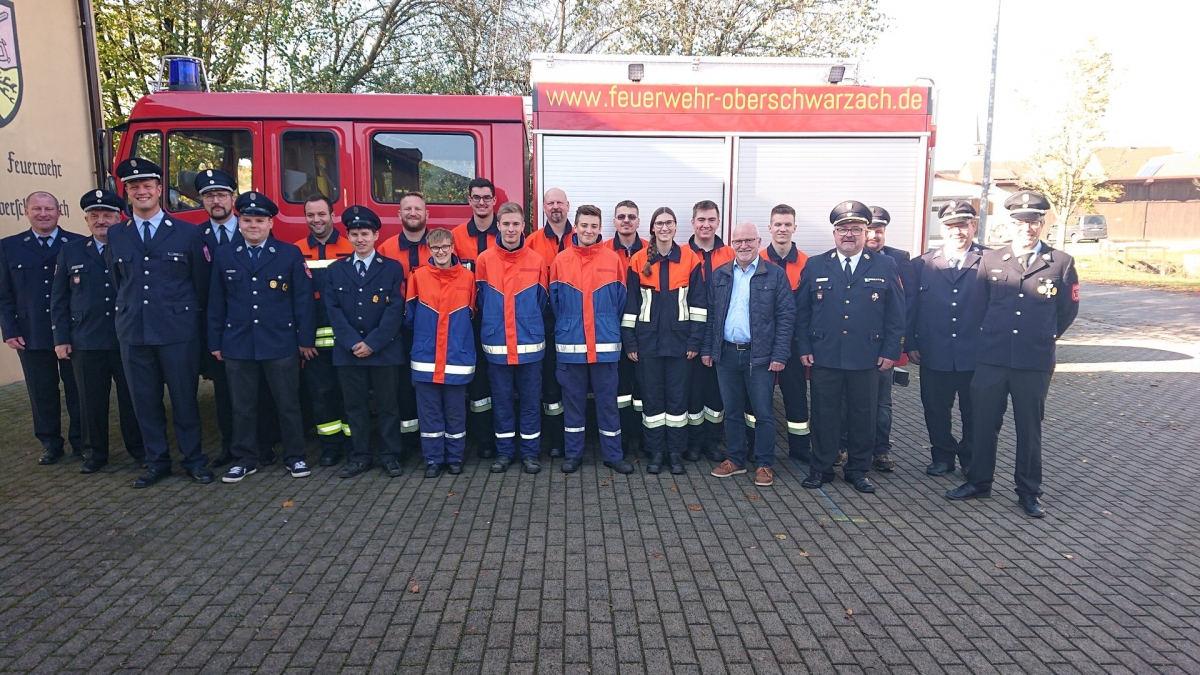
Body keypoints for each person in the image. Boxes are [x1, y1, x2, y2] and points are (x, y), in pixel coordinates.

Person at [946, 190, 1080, 518]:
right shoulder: (991, 261)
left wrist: (1044, 337)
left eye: (1034, 221)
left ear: (1043, 223)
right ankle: (979, 481)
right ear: (1011, 224)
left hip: (1032, 362)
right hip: (991, 358)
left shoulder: (1060, 263)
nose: (1027, 227)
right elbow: (977, 306)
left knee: (1028, 429)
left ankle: (1029, 491)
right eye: (1020, 221)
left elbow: (1067, 310)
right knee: (982, 423)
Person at [107, 158, 214, 488]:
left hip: (177, 331)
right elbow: (118, 281)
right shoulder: (116, 234)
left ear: (159, 190)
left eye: (147, 186)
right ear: (127, 192)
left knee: (184, 401)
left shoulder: (188, 232)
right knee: (145, 403)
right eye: (134, 187)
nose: (141, 191)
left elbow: (201, 284)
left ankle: (193, 459)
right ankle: (157, 462)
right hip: (134, 331)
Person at [796, 201, 905, 494]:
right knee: (823, 415)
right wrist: (804, 346)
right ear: (834, 233)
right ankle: (821, 468)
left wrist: (890, 351)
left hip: (866, 356)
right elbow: (802, 311)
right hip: (825, 354)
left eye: (855, 229)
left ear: (865, 232)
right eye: (843, 229)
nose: (849, 235)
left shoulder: (884, 265)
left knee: (863, 416)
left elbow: (896, 313)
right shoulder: (816, 264)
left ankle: (857, 470)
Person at [208, 192, 316, 483]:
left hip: (280, 342)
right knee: (242, 405)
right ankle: (245, 458)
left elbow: (302, 301)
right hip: (238, 343)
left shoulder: (288, 253)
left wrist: (305, 340)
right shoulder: (225, 255)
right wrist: (215, 342)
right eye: (247, 220)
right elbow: (216, 302)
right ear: (239, 222)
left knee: (287, 403)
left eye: (259, 220)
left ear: (270, 223)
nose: (253, 226)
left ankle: (295, 457)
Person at [50, 189, 143, 473]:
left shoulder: (133, 246)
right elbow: (59, 298)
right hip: (86, 340)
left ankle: (139, 450)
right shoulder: (71, 251)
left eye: (107, 215)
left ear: (119, 218)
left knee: (133, 399)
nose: (101, 221)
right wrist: (61, 338)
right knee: (90, 400)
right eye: (95, 216)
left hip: (125, 337)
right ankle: (95, 453)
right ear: (87, 220)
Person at [193, 168, 277, 468]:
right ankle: (230, 446)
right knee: (224, 393)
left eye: (221, 194)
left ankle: (264, 445)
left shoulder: (257, 228)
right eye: (208, 196)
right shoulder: (194, 236)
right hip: (220, 328)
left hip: (259, 330)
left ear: (232, 198)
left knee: (263, 392)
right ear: (202, 200)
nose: (216, 201)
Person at [703, 222, 794, 487]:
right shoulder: (721, 274)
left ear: (759, 242)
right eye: (738, 241)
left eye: (748, 241)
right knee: (731, 411)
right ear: (732, 244)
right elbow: (711, 316)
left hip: (761, 357)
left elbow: (786, 317)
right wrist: (710, 349)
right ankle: (736, 460)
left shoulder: (775, 275)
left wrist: (780, 354)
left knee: (763, 412)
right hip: (727, 354)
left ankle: (764, 464)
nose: (743, 246)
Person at [0, 191, 84, 466]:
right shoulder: (8, 247)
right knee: (41, 392)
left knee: (77, 390)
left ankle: (82, 442)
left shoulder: (77, 243)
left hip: (72, 332)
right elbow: (3, 294)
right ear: (26, 212)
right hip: (31, 331)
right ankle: (50, 443)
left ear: (59, 212)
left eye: (49, 208)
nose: (43, 213)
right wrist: (9, 329)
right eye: (37, 208)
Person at [548, 205, 632, 475]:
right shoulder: (561, 260)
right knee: (573, 404)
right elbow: (555, 302)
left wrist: (604, 323)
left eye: (594, 226)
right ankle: (573, 454)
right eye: (584, 225)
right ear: (576, 225)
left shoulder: (613, 260)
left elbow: (620, 301)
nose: (588, 230)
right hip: (571, 345)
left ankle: (613, 455)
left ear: (600, 229)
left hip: (605, 346)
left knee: (608, 404)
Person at [324, 205, 406, 478]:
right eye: (355, 234)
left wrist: (372, 343)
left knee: (388, 407)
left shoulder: (392, 268)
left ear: (375, 236)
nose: (360, 239)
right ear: (348, 237)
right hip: (349, 352)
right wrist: (352, 343)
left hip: (383, 351)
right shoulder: (335, 270)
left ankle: (390, 455)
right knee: (355, 408)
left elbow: (395, 310)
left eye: (365, 233)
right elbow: (332, 310)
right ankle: (359, 456)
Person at [907, 200, 988, 476]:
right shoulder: (921, 264)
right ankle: (942, 456)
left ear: (973, 226)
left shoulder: (990, 261)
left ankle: (970, 457)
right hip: (934, 351)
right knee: (935, 410)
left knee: (974, 413)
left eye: (963, 225)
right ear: (942, 229)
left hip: (975, 354)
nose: (958, 232)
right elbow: (911, 308)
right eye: (951, 226)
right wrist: (911, 343)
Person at [622, 207, 705, 475]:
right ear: (653, 228)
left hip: (681, 345)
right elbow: (630, 306)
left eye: (669, 223)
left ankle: (676, 453)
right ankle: (656, 453)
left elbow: (699, 306)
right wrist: (631, 343)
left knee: (678, 401)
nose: (664, 227)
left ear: (675, 227)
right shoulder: (637, 261)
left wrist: (694, 341)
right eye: (660, 223)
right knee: (653, 401)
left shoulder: (690, 260)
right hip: (647, 345)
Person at [475, 202, 548, 474]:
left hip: (529, 344)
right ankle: (505, 453)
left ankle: (530, 453)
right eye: (506, 224)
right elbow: (480, 300)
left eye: (516, 224)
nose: (510, 229)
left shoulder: (536, 260)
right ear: (498, 225)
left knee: (530, 402)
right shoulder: (484, 260)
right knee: (502, 401)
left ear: (523, 227)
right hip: (497, 344)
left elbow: (542, 301)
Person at [406, 227, 476, 477]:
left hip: (457, 358)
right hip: (426, 359)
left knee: (456, 413)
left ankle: (455, 458)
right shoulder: (418, 277)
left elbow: (472, 314)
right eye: (436, 248)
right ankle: (434, 460)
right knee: (430, 414)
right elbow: (410, 317)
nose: (441, 252)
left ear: (453, 247)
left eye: (445, 246)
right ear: (429, 249)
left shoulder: (468, 278)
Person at [294, 194, 355, 466]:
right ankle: (330, 446)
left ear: (333, 216)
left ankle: (356, 444)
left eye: (321, 214)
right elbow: (297, 300)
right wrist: (303, 340)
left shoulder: (349, 247)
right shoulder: (296, 252)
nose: (316, 220)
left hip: (347, 339)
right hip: (315, 343)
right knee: (321, 395)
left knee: (349, 394)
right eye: (311, 215)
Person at [378, 192, 433, 454]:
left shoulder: (439, 245)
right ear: (399, 214)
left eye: (418, 209)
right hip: (397, 328)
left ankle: (430, 438)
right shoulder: (386, 249)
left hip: (430, 328)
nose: (413, 213)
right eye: (407, 209)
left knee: (429, 385)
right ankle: (409, 444)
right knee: (401, 387)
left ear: (426, 215)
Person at [758, 204, 811, 463]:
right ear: (769, 228)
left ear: (794, 228)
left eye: (787, 224)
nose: (782, 229)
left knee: (796, 396)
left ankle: (800, 449)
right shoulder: (756, 260)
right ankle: (753, 447)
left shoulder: (807, 263)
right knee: (757, 398)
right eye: (777, 224)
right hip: (761, 343)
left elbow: (811, 308)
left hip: (793, 343)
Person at [862, 205, 913, 472]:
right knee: (849, 401)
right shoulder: (842, 258)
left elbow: (902, 307)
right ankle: (846, 447)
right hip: (855, 346)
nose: (873, 235)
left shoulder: (898, 259)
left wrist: (894, 349)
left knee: (882, 403)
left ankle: (881, 450)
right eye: (869, 230)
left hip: (881, 346)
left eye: (878, 230)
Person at [451, 178, 500, 459]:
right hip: (469, 320)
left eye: (486, 197)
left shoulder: (508, 232)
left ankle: (502, 433)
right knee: (478, 382)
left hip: (499, 318)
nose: (481, 202)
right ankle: (484, 439)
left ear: (494, 201)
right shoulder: (456, 237)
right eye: (476, 197)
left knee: (501, 380)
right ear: (469, 201)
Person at [686, 200, 736, 462]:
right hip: (691, 334)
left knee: (716, 392)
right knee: (694, 391)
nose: (706, 225)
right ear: (693, 222)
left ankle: (713, 441)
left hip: (720, 334)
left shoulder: (730, 255)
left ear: (718, 223)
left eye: (711, 220)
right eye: (701, 220)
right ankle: (694, 442)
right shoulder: (682, 253)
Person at [527, 188, 574, 460]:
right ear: (543, 208)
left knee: (573, 383)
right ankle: (556, 440)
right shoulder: (531, 242)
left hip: (575, 323)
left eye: (560, 202)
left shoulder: (582, 237)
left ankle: (575, 436)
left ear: (568, 206)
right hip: (543, 323)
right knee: (550, 386)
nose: (555, 207)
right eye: (550, 203)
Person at [610, 200, 647, 458]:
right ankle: (622, 438)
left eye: (631, 216)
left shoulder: (650, 249)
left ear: (638, 221)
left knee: (644, 389)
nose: (626, 220)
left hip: (644, 331)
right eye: (621, 216)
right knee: (620, 389)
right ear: (614, 221)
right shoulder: (603, 251)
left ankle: (644, 438)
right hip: (612, 330)